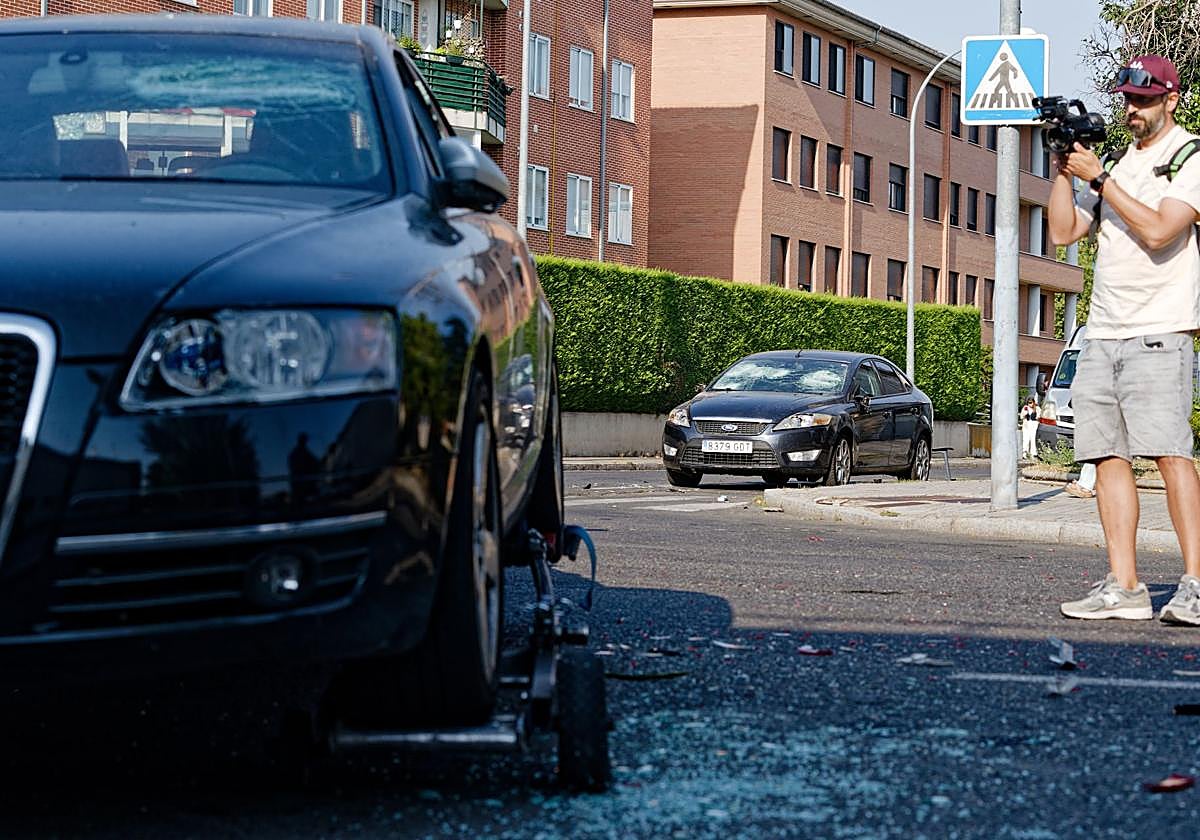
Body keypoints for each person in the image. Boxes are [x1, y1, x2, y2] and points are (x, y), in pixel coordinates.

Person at [1049, 54, 1200, 624]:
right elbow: (1064, 230)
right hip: (1104, 330)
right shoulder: (1111, 162)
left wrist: (1101, 180)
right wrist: (1064, 171)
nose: (1132, 111)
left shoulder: (1188, 154)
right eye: (1127, 100)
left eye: (1144, 100)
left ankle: (1196, 584)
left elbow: (1162, 230)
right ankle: (1126, 587)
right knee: (1105, 454)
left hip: (1160, 327)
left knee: (1170, 454)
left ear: (1170, 99)